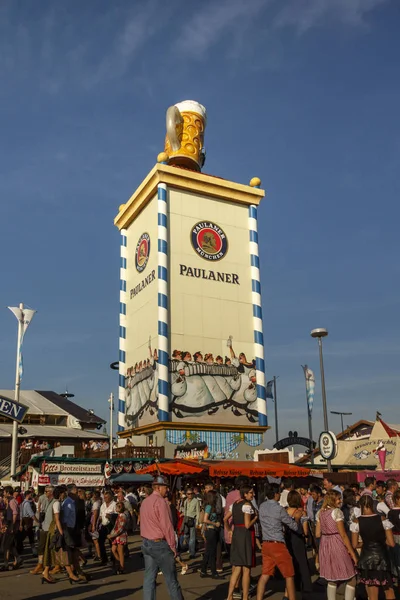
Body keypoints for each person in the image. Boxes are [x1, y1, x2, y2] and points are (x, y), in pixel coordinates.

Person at [140, 475, 184, 599]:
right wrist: (173, 547)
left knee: (149, 579)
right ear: (158, 488)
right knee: (171, 581)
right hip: (160, 544)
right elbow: (167, 527)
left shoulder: (145, 501)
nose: (167, 490)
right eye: (166, 488)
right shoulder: (161, 502)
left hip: (147, 542)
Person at [256, 483, 303, 600]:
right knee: (289, 575)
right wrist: (297, 517)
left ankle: (258, 598)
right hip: (278, 544)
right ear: (276, 494)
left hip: (266, 543)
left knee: (265, 574)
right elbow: (293, 526)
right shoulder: (279, 509)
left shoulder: (262, 506)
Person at [351, 494, 395, 600]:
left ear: (360, 505)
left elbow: (355, 544)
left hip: (366, 559)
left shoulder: (357, 521)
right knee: (389, 592)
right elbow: (391, 543)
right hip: (382, 558)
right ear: (372, 504)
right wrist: (379, 541)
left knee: (372, 595)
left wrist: (366, 542)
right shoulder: (382, 519)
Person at [316, 490, 358, 600]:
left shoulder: (320, 512)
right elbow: (343, 535)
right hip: (336, 543)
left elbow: (317, 533)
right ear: (332, 499)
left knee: (331, 579)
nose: (340, 501)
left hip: (325, 543)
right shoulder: (337, 512)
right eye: (338, 498)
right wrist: (352, 553)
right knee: (352, 578)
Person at [225, 485, 257, 600]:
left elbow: (225, 519)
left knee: (237, 567)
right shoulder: (247, 505)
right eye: (251, 493)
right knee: (246, 568)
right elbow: (248, 524)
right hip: (245, 535)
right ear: (245, 494)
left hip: (236, 534)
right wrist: (255, 518)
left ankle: (229, 596)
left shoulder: (235, 504)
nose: (252, 495)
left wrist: (229, 530)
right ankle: (244, 597)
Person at [285, 490, 312, 595]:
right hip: (298, 539)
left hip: (287, 539)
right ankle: (306, 587)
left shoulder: (285, 511)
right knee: (302, 563)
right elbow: (305, 531)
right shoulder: (301, 513)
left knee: (292, 563)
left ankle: (293, 586)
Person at [200, 490, 223, 580]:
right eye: (216, 497)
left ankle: (203, 570)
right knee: (211, 552)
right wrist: (215, 524)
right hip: (211, 530)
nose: (217, 499)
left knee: (209, 551)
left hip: (212, 530)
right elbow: (205, 519)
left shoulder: (210, 506)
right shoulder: (209, 507)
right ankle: (213, 572)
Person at [108, 501, 128, 574]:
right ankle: (120, 564)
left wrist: (112, 535)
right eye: (116, 506)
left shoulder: (123, 516)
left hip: (121, 536)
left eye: (118, 507)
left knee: (120, 552)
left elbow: (120, 528)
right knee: (113, 550)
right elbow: (115, 527)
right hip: (116, 536)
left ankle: (121, 567)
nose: (116, 508)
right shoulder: (119, 515)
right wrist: (111, 534)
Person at [180, 487, 200, 559]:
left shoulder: (196, 501)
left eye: (191, 494)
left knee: (192, 537)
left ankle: (192, 553)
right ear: (186, 494)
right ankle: (194, 545)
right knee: (186, 535)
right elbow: (184, 510)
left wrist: (197, 522)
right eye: (188, 494)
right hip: (186, 519)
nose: (190, 495)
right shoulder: (185, 501)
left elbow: (198, 512)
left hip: (193, 519)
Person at [99, 490, 117, 565]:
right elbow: (100, 516)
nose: (105, 499)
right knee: (101, 542)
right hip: (103, 525)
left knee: (112, 543)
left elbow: (118, 516)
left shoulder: (115, 504)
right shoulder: (102, 505)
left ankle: (114, 559)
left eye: (106, 497)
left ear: (111, 497)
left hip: (111, 526)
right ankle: (104, 559)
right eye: (104, 497)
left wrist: (110, 516)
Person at [20, 489, 39, 556]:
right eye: (31, 494)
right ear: (28, 495)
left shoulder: (23, 503)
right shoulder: (27, 504)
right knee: (30, 536)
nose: (32, 495)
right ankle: (34, 551)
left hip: (24, 521)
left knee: (24, 536)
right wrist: (37, 521)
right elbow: (31, 514)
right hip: (27, 522)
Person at [89, 490, 102, 561]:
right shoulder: (100, 502)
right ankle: (97, 553)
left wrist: (93, 525)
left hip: (95, 522)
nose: (93, 497)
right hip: (97, 522)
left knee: (95, 540)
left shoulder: (96, 504)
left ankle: (99, 555)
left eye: (94, 495)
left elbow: (95, 514)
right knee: (96, 540)